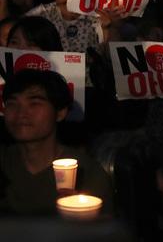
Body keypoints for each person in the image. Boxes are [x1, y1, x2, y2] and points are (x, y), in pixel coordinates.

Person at [0, 70, 113, 215]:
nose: (21, 113)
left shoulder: (86, 172)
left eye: (34, 103)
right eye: (12, 104)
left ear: (60, 112)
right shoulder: (3, 161)